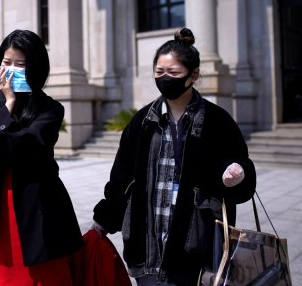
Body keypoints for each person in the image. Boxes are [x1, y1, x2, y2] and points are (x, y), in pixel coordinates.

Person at [91, 27, 257, 286]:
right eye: (159, 72)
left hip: (196, 249)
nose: (165, 78)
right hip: (146, 247)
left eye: (174, 73)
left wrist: (235, 176)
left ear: (194, 75)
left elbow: (240, 168)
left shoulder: (217, 121)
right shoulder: (143, 121)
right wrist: (103, 222)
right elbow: (121, 177)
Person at [0, 29, 84, 285]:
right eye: (7, 63)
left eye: (21, 64)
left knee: (48, 276)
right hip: (1, 206)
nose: (12, 69)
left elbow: (33, 141)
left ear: (36, 67)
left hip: (40, 206)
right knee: (9, 276)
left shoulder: (50, 108)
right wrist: (8, 104)